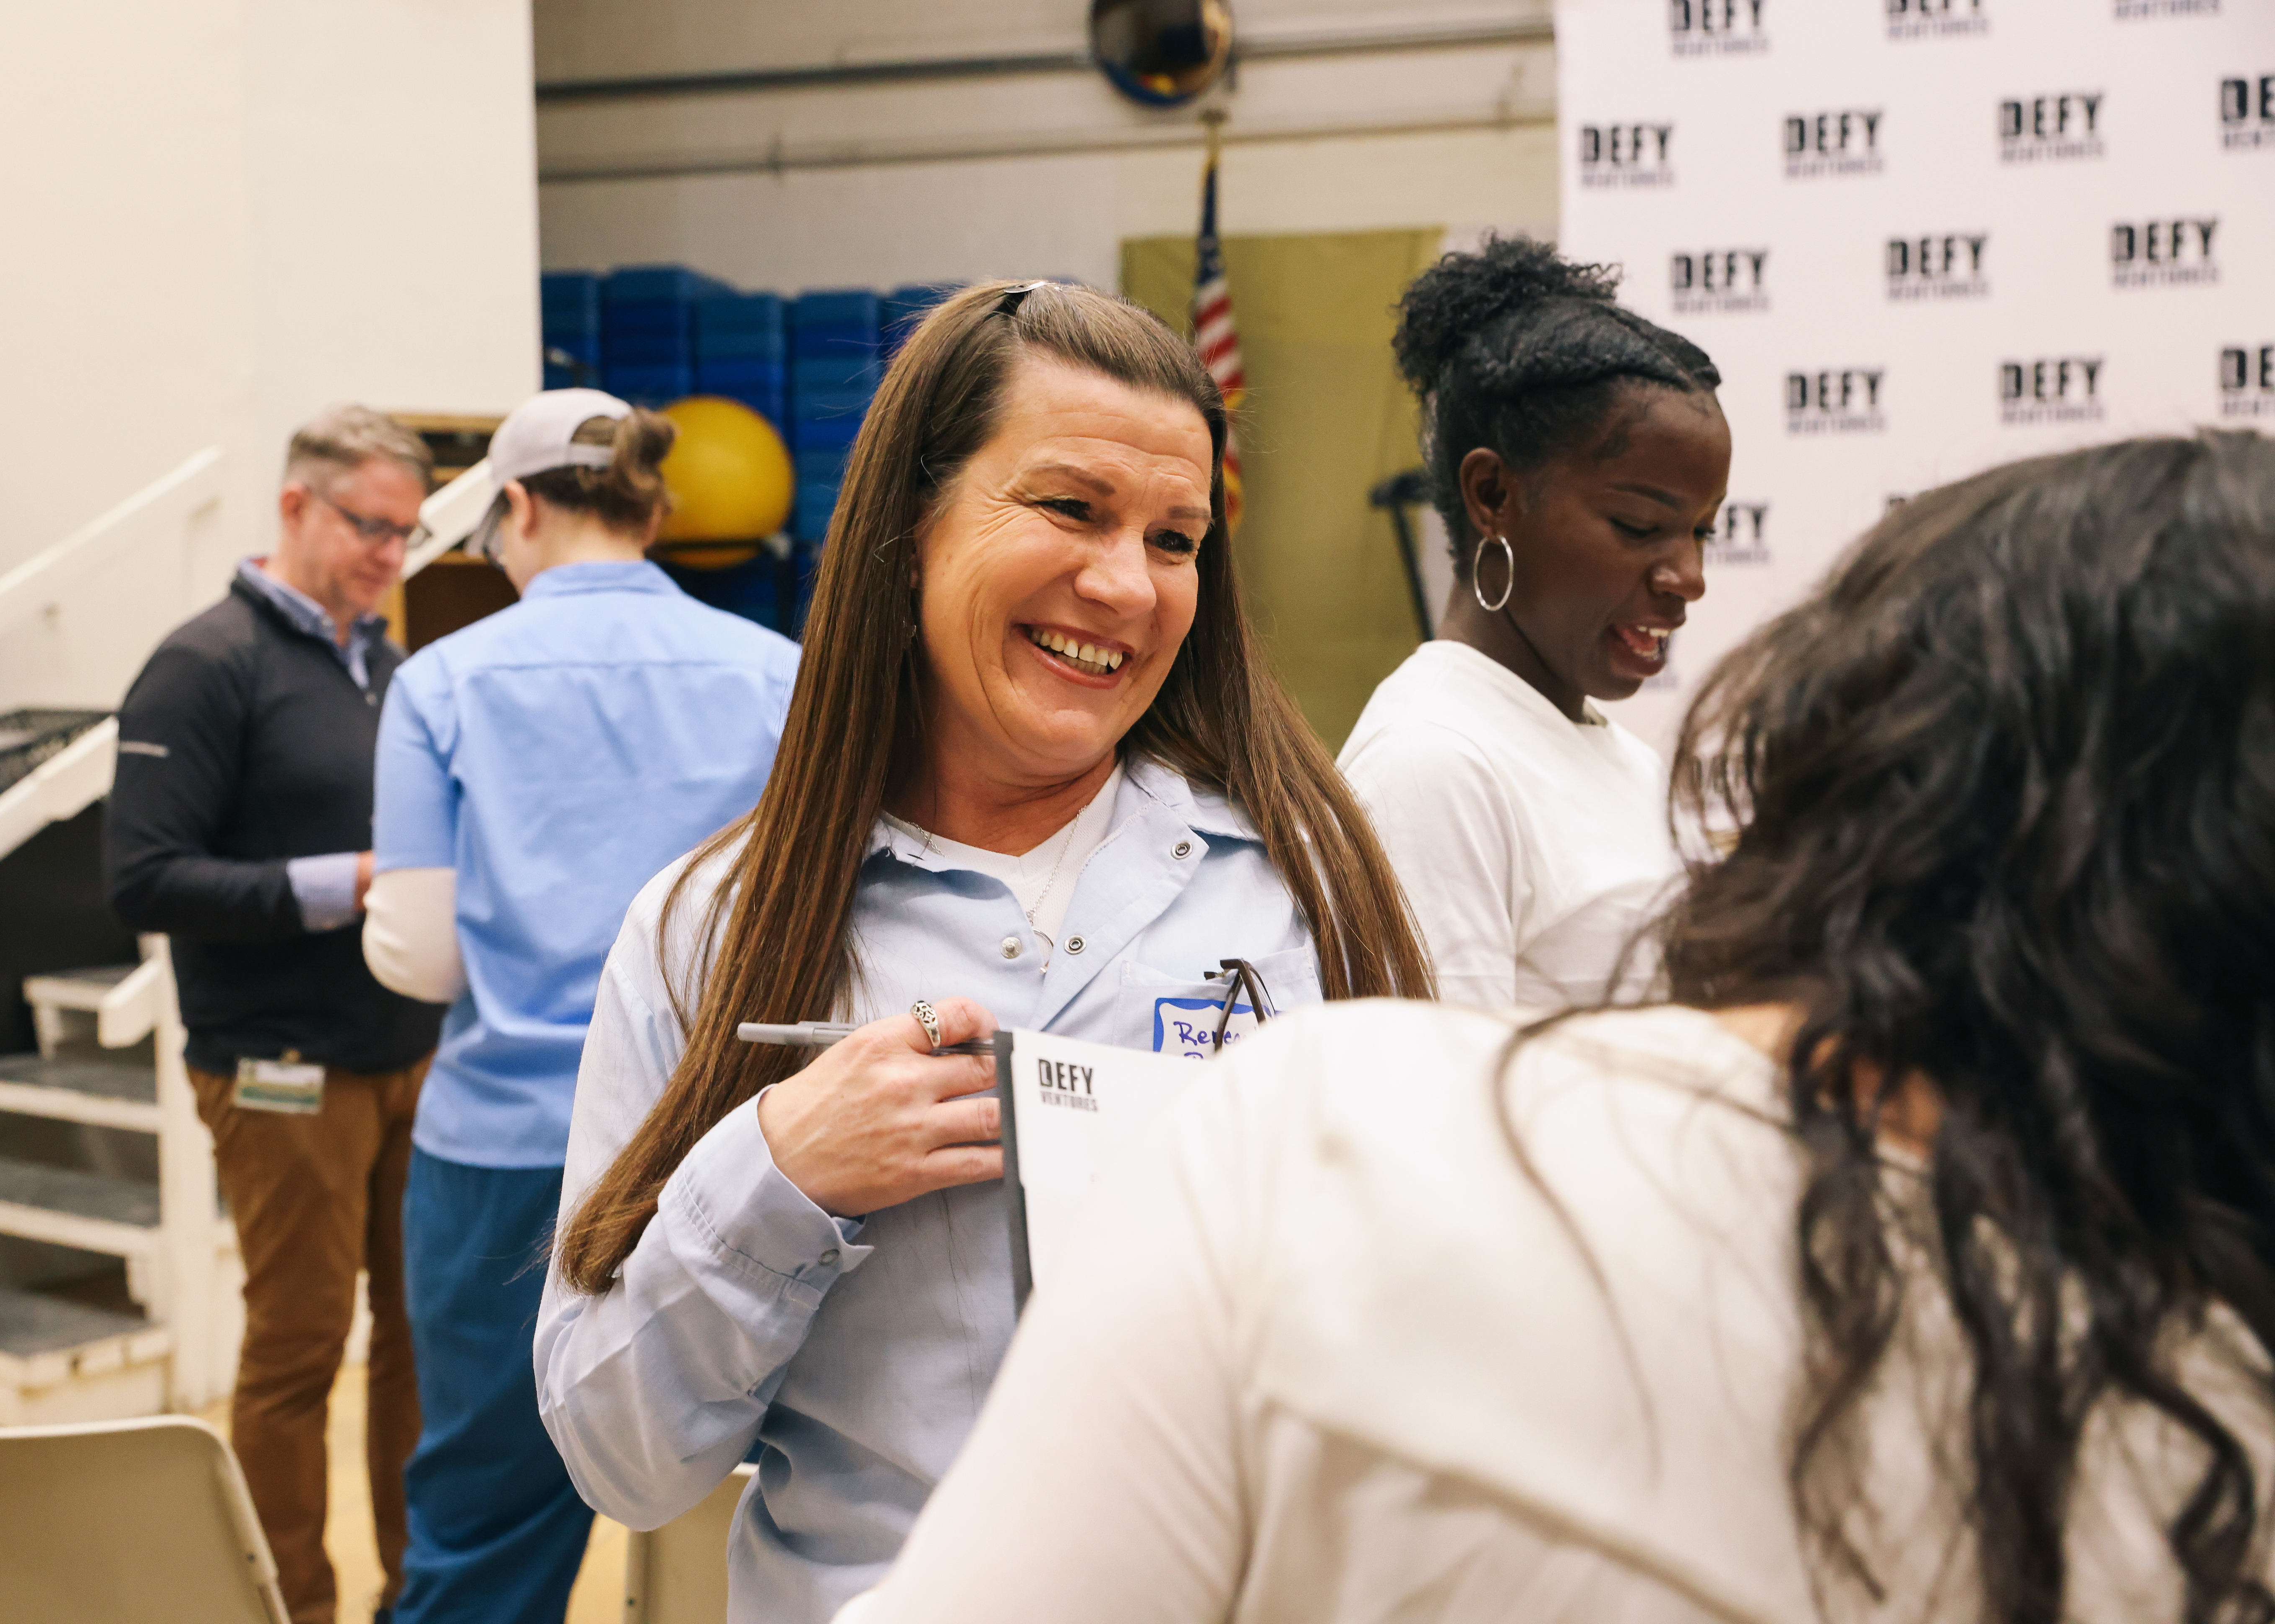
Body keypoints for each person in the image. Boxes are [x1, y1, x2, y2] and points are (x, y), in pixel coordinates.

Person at [847, 430, 2275, 1623]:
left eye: (1176, 537)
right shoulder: (2200, 1420)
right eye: (1643, 520)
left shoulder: (1322, 1138)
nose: (1681, 576)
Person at [534, 280, 1431, 1621]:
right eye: (1071, 509)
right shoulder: (713, 931)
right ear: (908, 527)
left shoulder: (1304, 893)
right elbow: (623, 1462)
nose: (1124, 584)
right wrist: (778, 1178)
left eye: (1176, 539)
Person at [361, 389, 799, 1623]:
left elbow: (420, 957)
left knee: (485, 1522)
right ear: (656, 509)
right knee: (755, 1500)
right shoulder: (778, 674)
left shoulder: (441, 682)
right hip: (715, 1145)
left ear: (515, 508)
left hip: (506, 1153)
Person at [106, 405, 445, 1624]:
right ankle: (291, 1606)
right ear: (295, 507)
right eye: (370, 527)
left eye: (406, 534)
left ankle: (421, 1593)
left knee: (421, 1343)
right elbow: (141, 878)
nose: (389, 556)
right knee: (300, 1353)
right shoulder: (206, 665)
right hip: (280, 1070)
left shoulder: (389, 668)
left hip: (411, 1054)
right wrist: (343, 884)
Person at [1339, 237, 1728, 1009]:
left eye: (1702, 531)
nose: (1689, 578)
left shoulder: (1617, 755)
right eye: (1639, 525)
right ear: (1492, 495)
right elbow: (1440, 1105)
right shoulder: (1433, 763)